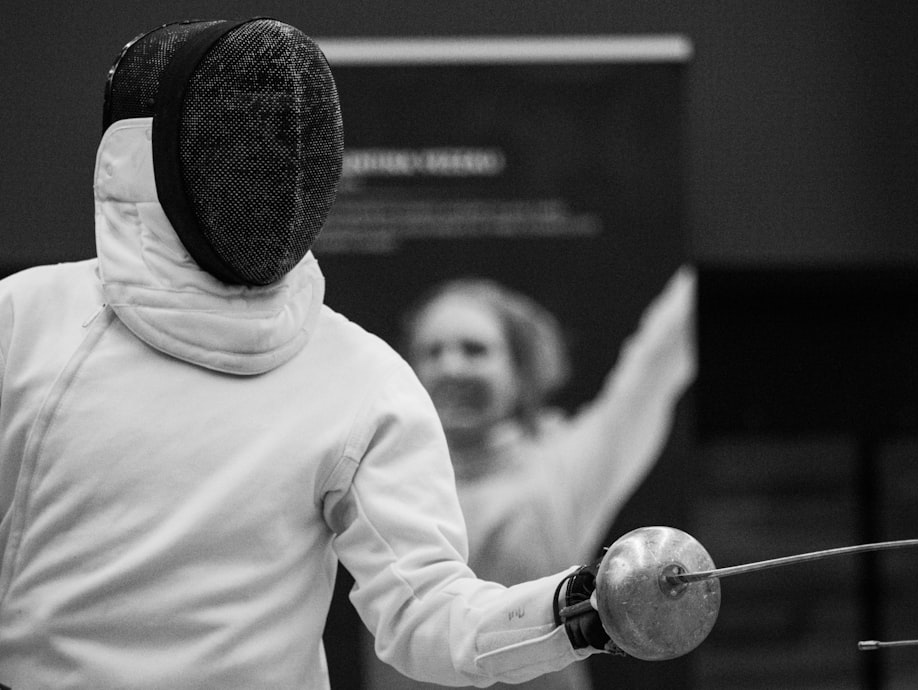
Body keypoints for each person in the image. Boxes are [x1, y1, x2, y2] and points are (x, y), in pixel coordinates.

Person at [0, 19, 629, 689]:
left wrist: (575, 610)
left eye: (290, 144)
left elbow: (427, 611)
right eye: (244, 144)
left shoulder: (362, 379)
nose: (280, 166)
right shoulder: (25, 321)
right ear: (148, 158)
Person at [362, 269, 697, 689]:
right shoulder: (377, 470)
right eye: (432, 352)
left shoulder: (565, 466)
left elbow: (659, 356)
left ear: (520, 368)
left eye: (474, 350)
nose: (451, 366)